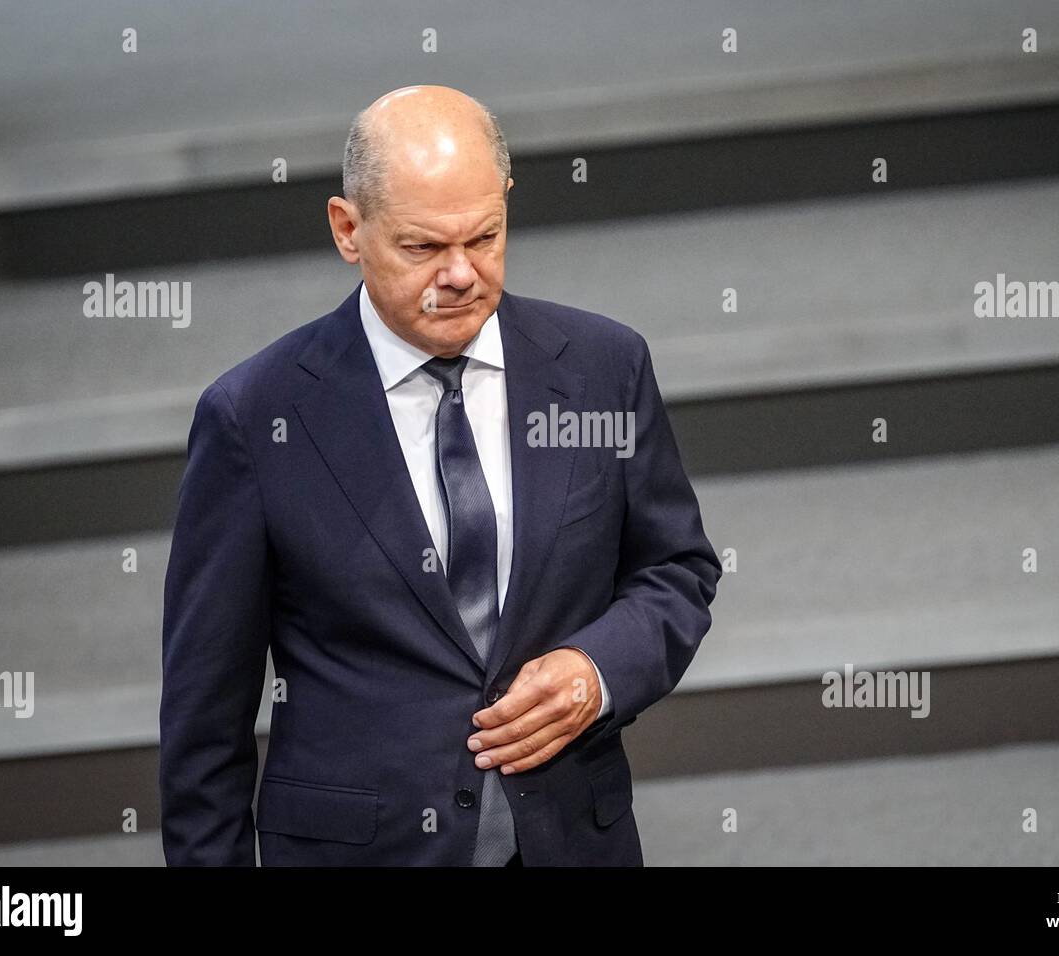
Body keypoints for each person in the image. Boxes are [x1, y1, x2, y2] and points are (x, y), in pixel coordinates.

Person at [159, 85, 721, 866]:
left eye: (486, 238)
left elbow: (677, 569)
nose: (460, 274)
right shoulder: (255, 418)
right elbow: (203, 719)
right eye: (423, 248)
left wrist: (597, 670)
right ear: (347, 230)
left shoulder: (603, 368)